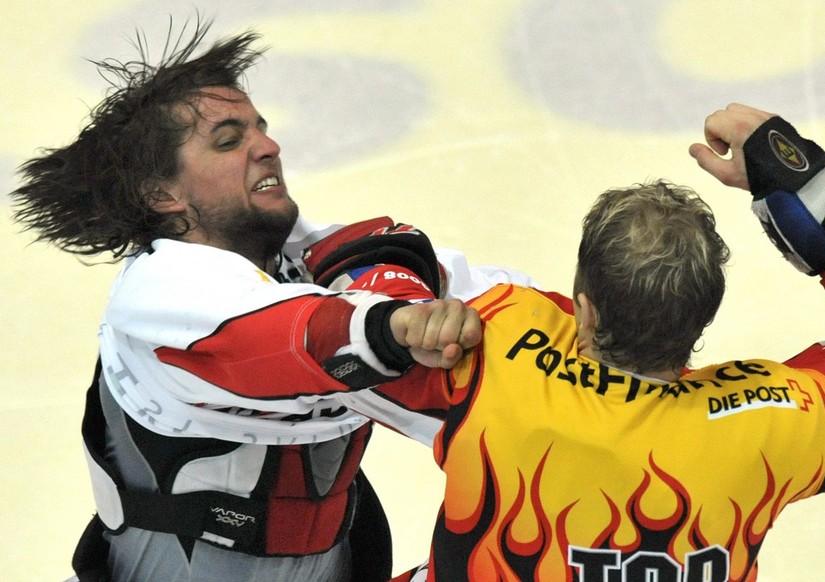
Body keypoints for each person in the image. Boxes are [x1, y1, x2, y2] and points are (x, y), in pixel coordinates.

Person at [9, 21, 531, 582]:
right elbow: (274, 336)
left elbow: (508, 304)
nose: (269, 146)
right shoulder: (160, 292)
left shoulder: (325, 257)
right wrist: (396, 325)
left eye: (261, 128)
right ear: (163, 195)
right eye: (229, 140)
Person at [337, 103, 825, 582]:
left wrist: (400, 296)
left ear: (584, 309)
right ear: (702, 319)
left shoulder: (495, 356)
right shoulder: (780, 420)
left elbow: (351, 269)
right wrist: (819, 194)